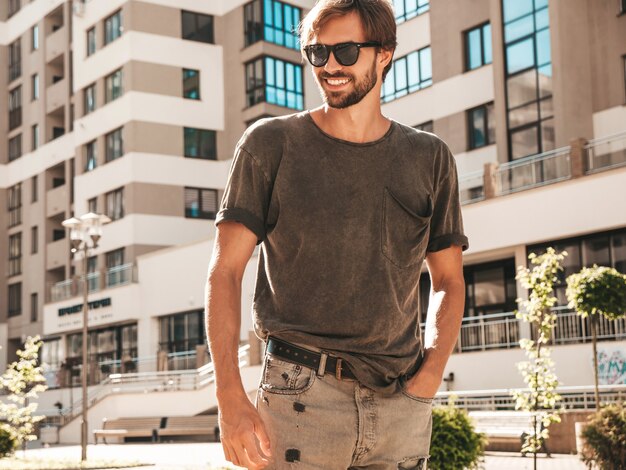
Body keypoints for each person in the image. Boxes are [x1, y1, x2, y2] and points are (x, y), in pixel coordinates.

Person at [204, 0, 469, 468]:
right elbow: (224, 271)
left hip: (402, 403)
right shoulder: (270, 144)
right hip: (299, 397)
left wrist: (430, 374)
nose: (329, 66)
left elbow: (448, 281)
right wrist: (228, 395)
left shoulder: (429, 157)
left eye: (346, 51)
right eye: (316, 53)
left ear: (384, 53)